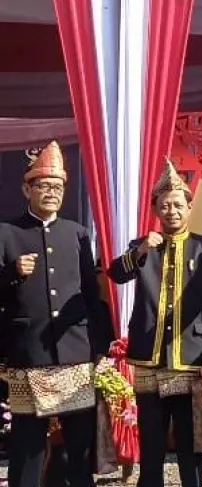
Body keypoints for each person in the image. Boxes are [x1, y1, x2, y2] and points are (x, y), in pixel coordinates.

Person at [108, 160, 202, 487]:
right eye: (165, 205)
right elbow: (115, 273)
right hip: (149, 356)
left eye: (178, 205)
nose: (172, 211)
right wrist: (141, 250)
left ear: (190, 207)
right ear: (155, 209)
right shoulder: (142, 246)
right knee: (151, 440)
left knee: (191, 440)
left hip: (191, 355)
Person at [0, 140, 111, 487]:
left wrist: (100, 346)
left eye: (58, 187)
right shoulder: (6, 233)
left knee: (79, 445)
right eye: (44, 186)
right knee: (28, 446)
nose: (52, 193)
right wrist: (11, 273)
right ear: (27, 189)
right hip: (28, 351)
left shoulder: (77, 234)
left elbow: (91, 295)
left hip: (75, 352)